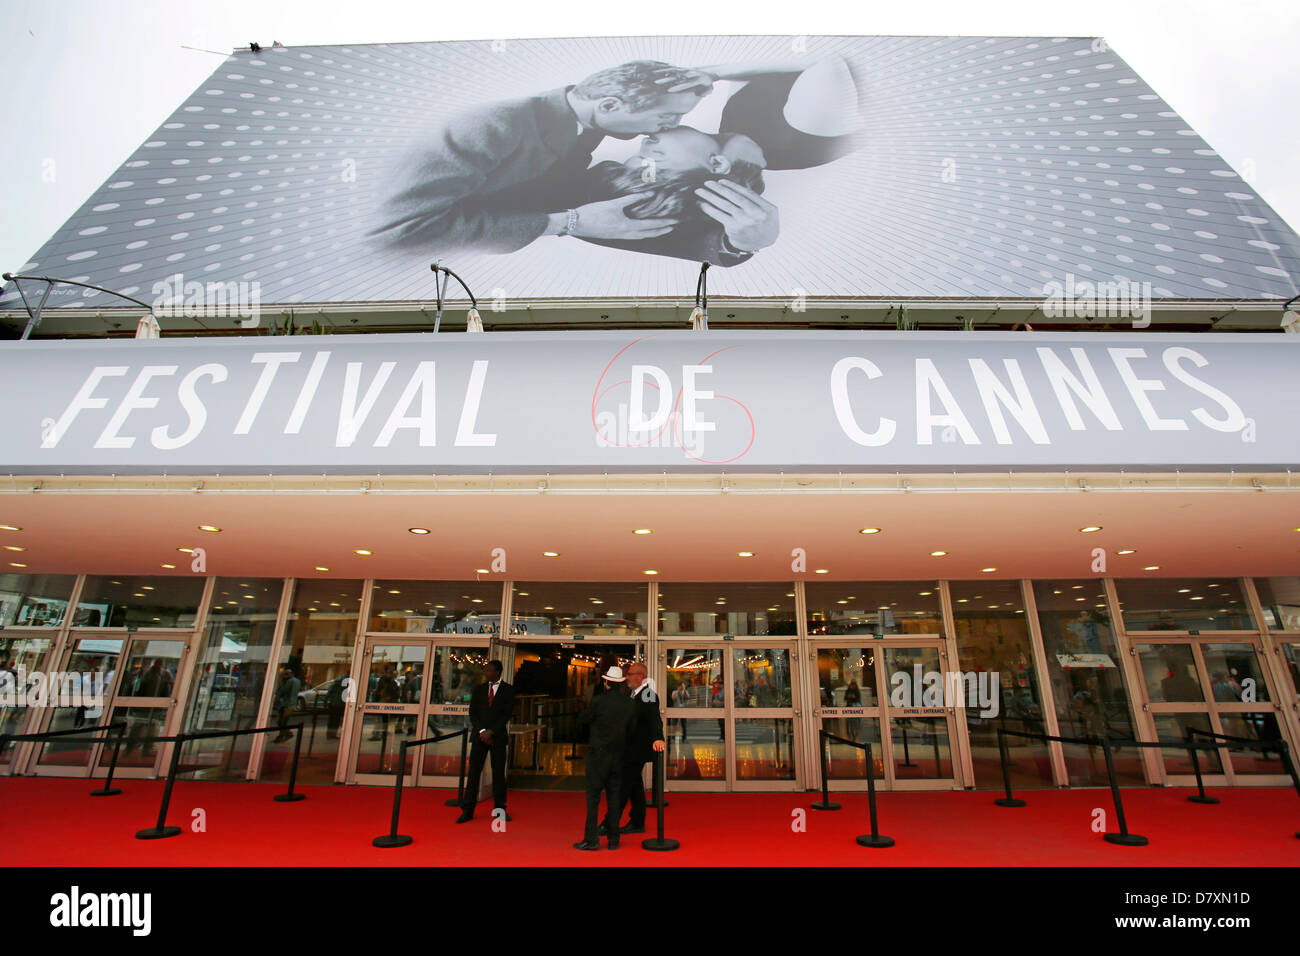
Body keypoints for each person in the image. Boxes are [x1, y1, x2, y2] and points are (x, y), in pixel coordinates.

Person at [372, 61, 712, 255]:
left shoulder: (583, 125)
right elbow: (400, 230)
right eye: (667, 117)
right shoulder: (494, 126)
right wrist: (567, 222)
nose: (670, 127)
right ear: (609, 105)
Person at [600, 660, 665, 837]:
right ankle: (637, 821)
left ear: (641, 677)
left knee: (623, 787)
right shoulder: (634, 694)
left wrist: (659, 737)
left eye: (630, 674)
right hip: (631, 748)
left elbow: (654, 718)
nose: (626, 677)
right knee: (635, 786)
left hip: (636, 750)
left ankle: (608, 823)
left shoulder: (648, 695)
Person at [574, 665, 635, 850]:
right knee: (614, 797)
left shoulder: (598, 701)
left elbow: (584, 719)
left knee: (593, 797)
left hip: (598, 754)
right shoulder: (629, 704)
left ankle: (592, 839)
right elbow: (631, 731)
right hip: (618, 755)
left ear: (607, 682)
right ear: (621, 683)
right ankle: (613, 839)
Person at [456, 659, 515, 823]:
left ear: (498, 672)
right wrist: (482, 731)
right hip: (479, 736)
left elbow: (506, 714)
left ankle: (500, 810)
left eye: (489, 670)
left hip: (497, 738)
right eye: (486, 670)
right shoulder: (480, 689)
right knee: (474, 773)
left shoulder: (508, 690)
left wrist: (491, 731)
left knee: (498, 774)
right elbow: (473, 712)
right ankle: (467, 810)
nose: (486, 673)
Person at [271, 665, 301, 743]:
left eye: (285, 674)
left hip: (286, 704)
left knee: (281, 721)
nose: (284, 676)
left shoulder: (290, 681)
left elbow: (284, 691)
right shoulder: (297, 681)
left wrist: (282, 685)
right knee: (284, 721)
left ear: (288, 674)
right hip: (292, 703)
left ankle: (284, 735)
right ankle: (284, 734)